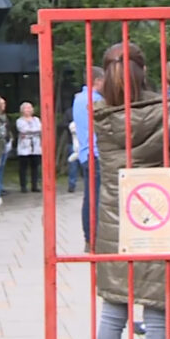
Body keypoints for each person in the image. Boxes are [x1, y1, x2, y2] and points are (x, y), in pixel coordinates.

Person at [92, 43, 170, 339]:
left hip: (115, 214)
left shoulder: (99, 115)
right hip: (157, 214)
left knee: (112, 311)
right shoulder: (165, 110)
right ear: (144, 71)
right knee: (157, 314)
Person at [72, 67, 105, 251]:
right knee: (97, 198)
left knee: (90, 196)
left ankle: (89, 238)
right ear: (98, 81)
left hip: (86, 153)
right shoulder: (97, 100)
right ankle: (96, 237)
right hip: (98, 153)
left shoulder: (78, 99)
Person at [16, 102, 41, 193]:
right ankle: (23, 186)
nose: (28, 110)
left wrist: (30, 132)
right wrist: (34, 131)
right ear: (22, 110)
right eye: (26, 108)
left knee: (35, 167)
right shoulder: (20, 121)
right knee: (23, 167)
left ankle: (35, 185)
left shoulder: (36, 119)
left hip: (36, 146)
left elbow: (40, 129)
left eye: (30, 108)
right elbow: (23, 130)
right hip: (24, 147)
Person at [66, 121, 80, 193]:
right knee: (73, 165)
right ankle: (72, 184)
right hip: (75, 145)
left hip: (80, 145)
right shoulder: (72, 123)